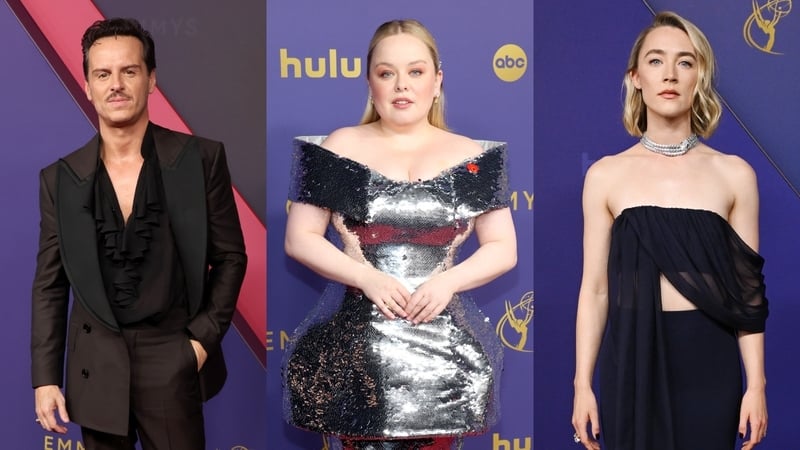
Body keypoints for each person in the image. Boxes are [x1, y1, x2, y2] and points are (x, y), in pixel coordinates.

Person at [282, 19, 517, 450]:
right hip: (360, 353)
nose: (401, 86)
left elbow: (503, 248)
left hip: (444, 355)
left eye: (415, 71)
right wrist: (367, 277)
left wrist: (449, 281)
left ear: (437, 80)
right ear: (370, 82)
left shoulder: (471, 155)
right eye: (386, 73)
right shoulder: (340, 146)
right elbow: (300, 238)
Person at [31, 18, 247, 449]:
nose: (116, 85)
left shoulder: (200, 159)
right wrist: (45, 379)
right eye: (103, 74)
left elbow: (230, 257)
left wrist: (199, 343)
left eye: (129, 71)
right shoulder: (60, 179)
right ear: (88, 86)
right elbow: (50, 285)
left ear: (151, 80)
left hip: (172, 356)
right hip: (96, 364)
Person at [571, 11, 769, 450]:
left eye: (685, 61)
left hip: (709, 359)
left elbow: (747, 295)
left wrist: (756, 385)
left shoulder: (734, 174)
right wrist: (582, 384)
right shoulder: (606, 175)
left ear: (699, 75)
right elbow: (596, 290)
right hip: (632, 356)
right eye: (656, 61)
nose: (670, 74)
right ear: (636, 76)